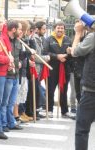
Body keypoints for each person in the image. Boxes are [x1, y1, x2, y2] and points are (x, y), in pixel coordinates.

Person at [67, 21, 95, 150]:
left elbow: (74, 52)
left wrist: (78, 33)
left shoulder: (93, 37)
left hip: (91, 91)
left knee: (82, 130)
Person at [43, 21, 72, 118]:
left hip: (65, 68)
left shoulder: (68, 39)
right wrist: (57, 56)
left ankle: (64, 111)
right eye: (58, 28)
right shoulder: (48, 39)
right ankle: (50, 109)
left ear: (64, 30)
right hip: (52, 68)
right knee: (50, 89)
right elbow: (45, 52)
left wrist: (66, 56)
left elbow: (72, 52)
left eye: (62, 28)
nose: (60, 30)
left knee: (64, 89)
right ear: (54, 29)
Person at [0, 20, 23, 131]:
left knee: (12, 102)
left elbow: (19, 56)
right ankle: (3, 123)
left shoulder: (18, 41)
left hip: (16, 74)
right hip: (7, 75)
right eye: (19, 29)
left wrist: (21, 61)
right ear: (13, 29)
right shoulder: (3, 40)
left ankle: (11, 122)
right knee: (4, 101)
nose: (21, 31)